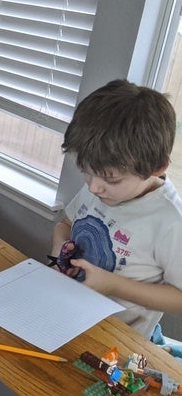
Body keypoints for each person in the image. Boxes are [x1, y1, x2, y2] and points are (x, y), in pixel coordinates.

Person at [51, 79, 182, 339]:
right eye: (86, 173)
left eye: (111, 180)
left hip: (118, 340)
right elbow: (65, 224)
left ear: (156, 168)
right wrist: (59, 254)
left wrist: (113, 285)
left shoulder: (170, 221)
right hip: (67, 316)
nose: (94, 188)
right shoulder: (99, 186)